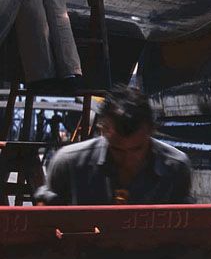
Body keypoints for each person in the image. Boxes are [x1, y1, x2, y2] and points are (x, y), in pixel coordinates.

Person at [35, 87, 191, 205]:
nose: (128, 159)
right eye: (117, 150)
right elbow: (44, 219)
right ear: (102, 131)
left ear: (151, 131)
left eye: (137, 149)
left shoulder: (175, 167)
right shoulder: (69, 163)